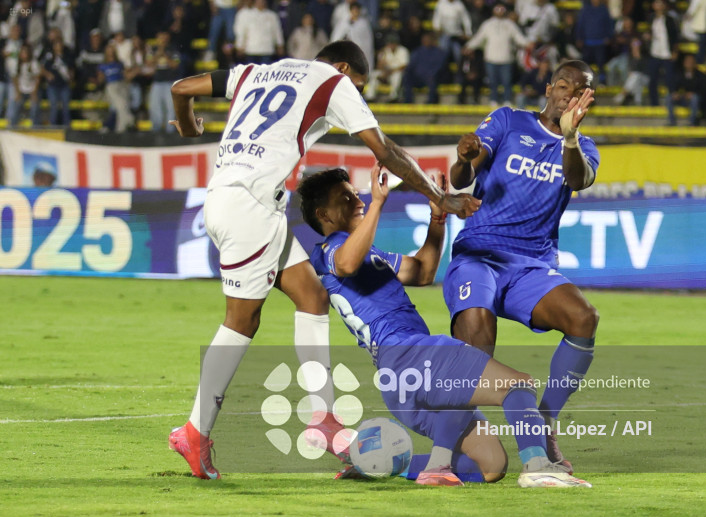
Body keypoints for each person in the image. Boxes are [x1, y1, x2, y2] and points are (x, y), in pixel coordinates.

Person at [167, 40, 480, 480]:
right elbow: (384, 150)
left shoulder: (256, 72)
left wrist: (187, 127)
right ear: (344, 68)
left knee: (312, 294)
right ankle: (195, 432)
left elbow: (182, 88)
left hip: (243, 201)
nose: (357, 95)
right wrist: (439, 197)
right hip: (248, 205)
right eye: (359, 85)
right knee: (241, 320)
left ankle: (324, 417)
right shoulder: (332, 82)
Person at [298, 164, 591, 488]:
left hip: (398, 380)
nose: (358, 200)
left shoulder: (367, 253)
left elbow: (422, 271)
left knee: (491, 465)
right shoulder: (327, 251)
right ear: (324, 214)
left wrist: (437, 219)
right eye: (346, 197)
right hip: (411, 353)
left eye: (356, 193)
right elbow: (347, 262)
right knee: (517, 385)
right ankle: (539, 467)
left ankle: (377, 462)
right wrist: (379, 203)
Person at [444, 60, 599, 474]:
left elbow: (578, 179)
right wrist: (464, 158)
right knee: (477, 335)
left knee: (583, 318)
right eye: (562, 85)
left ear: (586, 100)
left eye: (577, 90)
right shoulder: (509, 121)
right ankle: (459, 434)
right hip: (479, 255)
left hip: (531, 265)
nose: (567, 93)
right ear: (548, 88)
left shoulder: (585, 148)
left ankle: (545, 424)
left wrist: (570, 137)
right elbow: (462, 177)